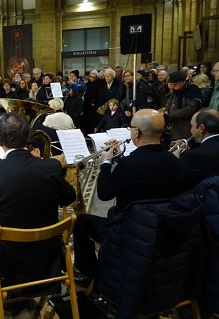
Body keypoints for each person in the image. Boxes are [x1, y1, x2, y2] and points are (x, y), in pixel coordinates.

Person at [0, 113, 75, 305]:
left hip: (6, 259)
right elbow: (69, 197)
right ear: (27, 137)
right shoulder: (50, 166)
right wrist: (40, 162)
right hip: (45, 254)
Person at [72, 109, 182, 286]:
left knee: (79, 221)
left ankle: (89, 273)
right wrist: (118, 158)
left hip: (129, 231)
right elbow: (141, 178)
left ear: (136, 132)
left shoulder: (130, 164)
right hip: (161, 227)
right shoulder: (174, 162)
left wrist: (106, 162)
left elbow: (105, 193)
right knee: (112, 210)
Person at [164, 70, 202, 141]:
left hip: (186, 126)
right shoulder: (176, 91)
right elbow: (170, 102)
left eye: (175, 84)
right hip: (175, 125)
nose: (173, 86)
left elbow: (191, 109)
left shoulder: (192, 90)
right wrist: (166, 110)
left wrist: (172, 114)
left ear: (182, 82)